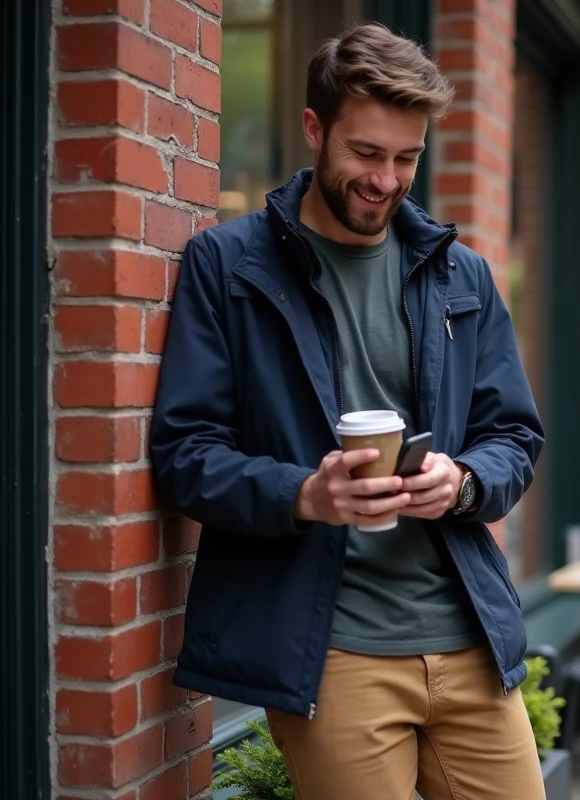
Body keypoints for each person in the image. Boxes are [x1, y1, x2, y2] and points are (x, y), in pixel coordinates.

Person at [149, 24, 547, 800]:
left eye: (407, 159)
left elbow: (515, 435)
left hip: (469, 639)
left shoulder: (462, 274)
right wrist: (306, 494)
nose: (387, 180)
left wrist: (462, 482)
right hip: (333, 656)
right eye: (367, 153)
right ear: (313, 129)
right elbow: (185, 452)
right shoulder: (228, 266)